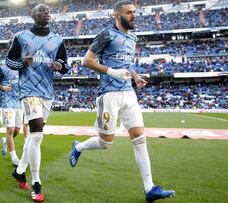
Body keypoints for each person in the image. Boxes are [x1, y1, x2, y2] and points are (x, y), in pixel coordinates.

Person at [68, 1, 175, 202]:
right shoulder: (106, 34)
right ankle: (79, 147)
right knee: (105, 142)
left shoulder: (133, 36)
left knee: (139, 138)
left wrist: (135, 77)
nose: (133, 15)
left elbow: (128, 63)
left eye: (134, 12)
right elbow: (87, 60)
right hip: (108, 94)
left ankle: (149, 188)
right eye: (129, 12)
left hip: (128, 93)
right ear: (117, 15)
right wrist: (112, 71)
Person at [6, 3, 68, 202]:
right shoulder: (21, 36)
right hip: (29, 90)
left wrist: (60, 66)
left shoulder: (57, 39)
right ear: (32, 14)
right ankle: (37, 182)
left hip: (47, 92)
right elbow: (9, 62)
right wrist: (23, 62)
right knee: (38, 134)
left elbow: (66, 66)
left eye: (48, 10)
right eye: (41, 10)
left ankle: (20, 171)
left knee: (34, 135)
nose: (46, 13)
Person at [0, 64, 29, 167]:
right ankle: (14, 158)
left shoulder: (22, 68)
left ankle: (5, 140)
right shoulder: (2, 69)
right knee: (10, 130)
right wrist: (2, 87)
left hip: (18, 103)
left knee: (17, 130)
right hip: (7, 103)